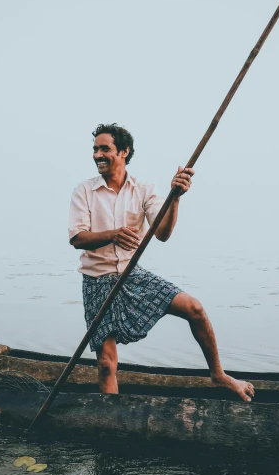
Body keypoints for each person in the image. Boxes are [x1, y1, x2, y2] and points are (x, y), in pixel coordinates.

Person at [68, 123, 254, 401]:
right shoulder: (84, 191)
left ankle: (218, 374)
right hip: (97, 281)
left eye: (104, 148)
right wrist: (113, 235)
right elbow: (78, 239)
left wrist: (175, 198)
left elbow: (162, 234)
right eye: (95, 149)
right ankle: (111, 421)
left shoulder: (144, 190)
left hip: (131, 275)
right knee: (106, 365)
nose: (97, 155)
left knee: (195, 308)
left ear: (124, 151)